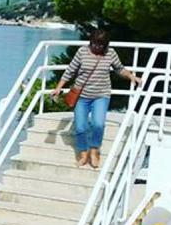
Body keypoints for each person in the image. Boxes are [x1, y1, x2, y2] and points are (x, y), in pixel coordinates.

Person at [52, 30, 142, 168]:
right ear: (91, 42)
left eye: (100, 45)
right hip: (81, 96)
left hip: (101, 95)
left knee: (98, 124)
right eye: (94, 44)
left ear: (105, 45)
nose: (97, 47)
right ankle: (83, 154)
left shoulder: (110, 53)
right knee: (81, 127)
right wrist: (58, 88)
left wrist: (132, 77)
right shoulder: (82, 52)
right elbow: (70, 71)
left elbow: (119, 68)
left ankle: (94, 151)